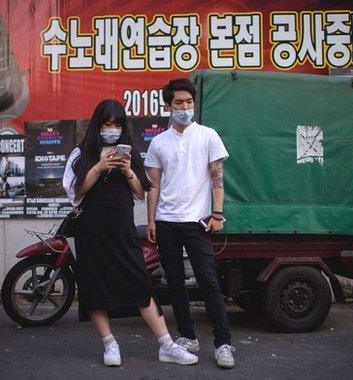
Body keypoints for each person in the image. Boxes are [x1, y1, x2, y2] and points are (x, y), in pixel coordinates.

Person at [62, 99, 198, 367]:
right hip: (91, 231)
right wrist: (99, 167)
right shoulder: (82, 154)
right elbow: (75, 192)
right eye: (106, 124)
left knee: (140, 282)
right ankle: (109, 344)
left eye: (116, 124)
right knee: (94, 287)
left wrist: (126, 171)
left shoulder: (130, 153)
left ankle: (166, 345)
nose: (111, 129)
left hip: (122, 230)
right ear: (97, 124)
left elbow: (140, 191)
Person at [144, 78, 235, 369]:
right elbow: (153, 186)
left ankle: (223, 344)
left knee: (209, 283)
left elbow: (218, 179)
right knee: (175, 283)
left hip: (197, 222)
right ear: (168, 106)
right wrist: (151, 221)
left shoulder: (208, 136)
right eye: (178, 103)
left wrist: (217, 214)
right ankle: (187, 336)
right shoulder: (159, 142)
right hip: (167, 222)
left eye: (189, 102)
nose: (184, 108)